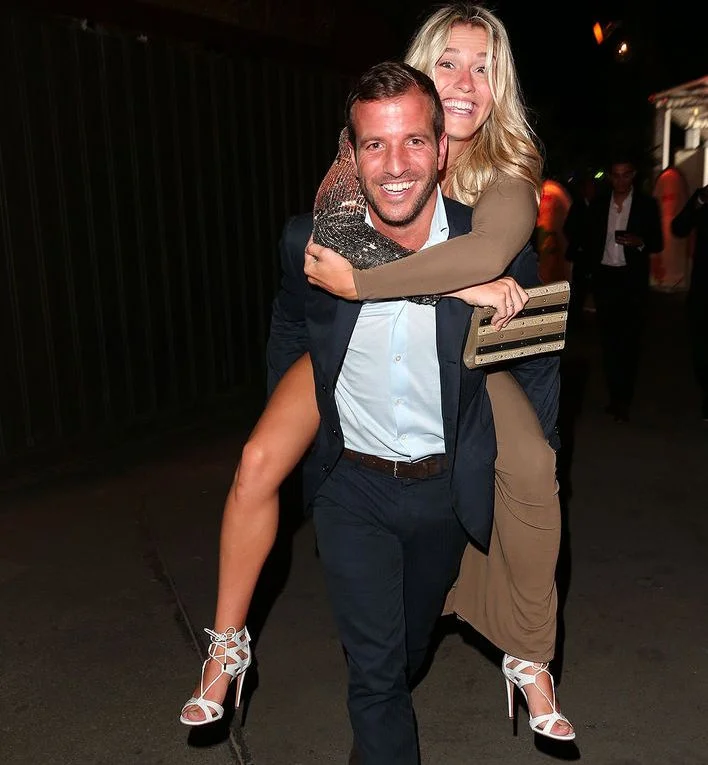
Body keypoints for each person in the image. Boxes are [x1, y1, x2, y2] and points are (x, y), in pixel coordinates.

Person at [180, 1, 573, 747]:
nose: (465, 83)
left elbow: (482, 264)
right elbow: (326, 250)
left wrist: (446, 284)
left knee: (532, 465)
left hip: (467, 371)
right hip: (351, 370)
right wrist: (449, 286)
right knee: (258, 460)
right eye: (449, 63)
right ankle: (227, 644)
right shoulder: (375, 141)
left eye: (485, 68)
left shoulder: (509, 176)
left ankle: (529, 650)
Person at [271, 60, 557, 765]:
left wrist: (533, 463)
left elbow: (535, 365)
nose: (395, 165)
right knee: (374, 675)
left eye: (413, 143)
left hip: (442, 490)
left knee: (405, 652)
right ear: (352, 151)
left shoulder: (489, 247)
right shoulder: (313, 241)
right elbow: (292, 328)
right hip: (351, 488)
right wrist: (293, 435)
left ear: (442, 149)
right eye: (375, 144)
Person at [585, 154, 664, 422]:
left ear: (633, 175)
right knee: (608, 341)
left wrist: (640, 242)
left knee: (629, 341)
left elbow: (658, 241)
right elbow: (589, 238)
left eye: (625, 175)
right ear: (610, 176)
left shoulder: (646, 205)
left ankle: (623, 399)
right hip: (605, 278)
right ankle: (615, 396)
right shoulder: (599, 204)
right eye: (616, 175)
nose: (620, 180)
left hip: (631, 281)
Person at [671, 183, 708, 420]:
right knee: (701, 346)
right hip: (703, 288)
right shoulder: (702, 198)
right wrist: (700, 201)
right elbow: (679, 227)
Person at [563, 171, 597, 329]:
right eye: (588, 187)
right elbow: (568, 228)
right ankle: (576, 322)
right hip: (580, 254)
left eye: (593, 187)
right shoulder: (577, 206)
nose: (591, 190)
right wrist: (578, 242)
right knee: (579, 288)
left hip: (595, 254)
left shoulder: (599, 205)